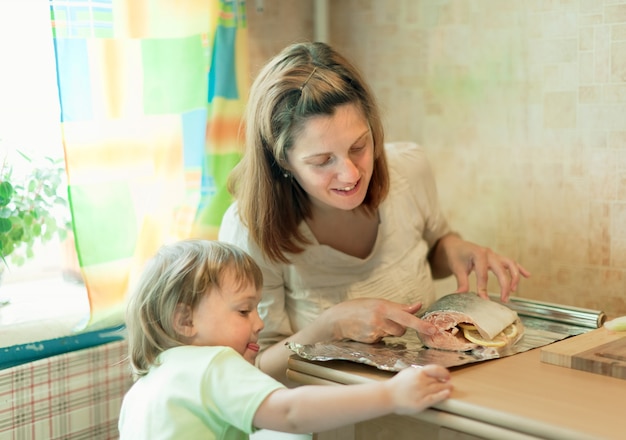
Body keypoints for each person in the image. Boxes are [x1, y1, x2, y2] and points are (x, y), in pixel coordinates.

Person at [219, 41, 530, 385]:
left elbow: (431, 248)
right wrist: (331, 324)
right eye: (323, 161)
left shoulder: (409, 170)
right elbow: (251, 372)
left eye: (359, 147)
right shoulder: (250, 229)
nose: (351, 175)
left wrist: (455, 248)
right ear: (282, 162)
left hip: (429, 394)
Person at [118, 239, 453, 439]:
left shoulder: (145, 386)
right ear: (185, 320)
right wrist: (391, 394)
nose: (259, 323)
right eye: (244, 311)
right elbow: (290, 412)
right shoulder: (213, 363)